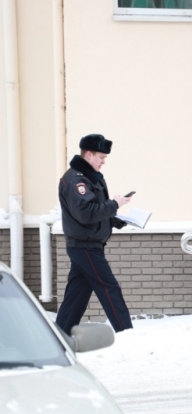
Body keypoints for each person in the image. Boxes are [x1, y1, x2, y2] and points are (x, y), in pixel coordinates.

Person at [56, 134, 133, 333]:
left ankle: (60, 334)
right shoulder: (76, 180)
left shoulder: (89, 178)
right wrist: (115, 204)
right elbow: (86, 213)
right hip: (85, 246)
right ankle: (126, 332)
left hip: (86, 244)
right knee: (109, 288)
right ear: (89, 155)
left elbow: (93, 210)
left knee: (77, 295)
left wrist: (113, 220)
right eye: (101, 157)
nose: (104, 162)